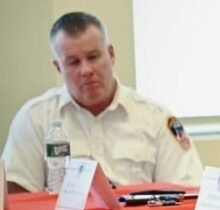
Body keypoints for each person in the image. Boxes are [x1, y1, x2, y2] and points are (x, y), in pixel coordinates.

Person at [2, 11, 203, 192]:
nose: (86, 70)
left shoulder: (156, 118)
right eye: (73, 62)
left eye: (93, 57)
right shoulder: (35, 118)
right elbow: (17, 196)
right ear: (58, 67)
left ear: (111, 54)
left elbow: (186, 191)